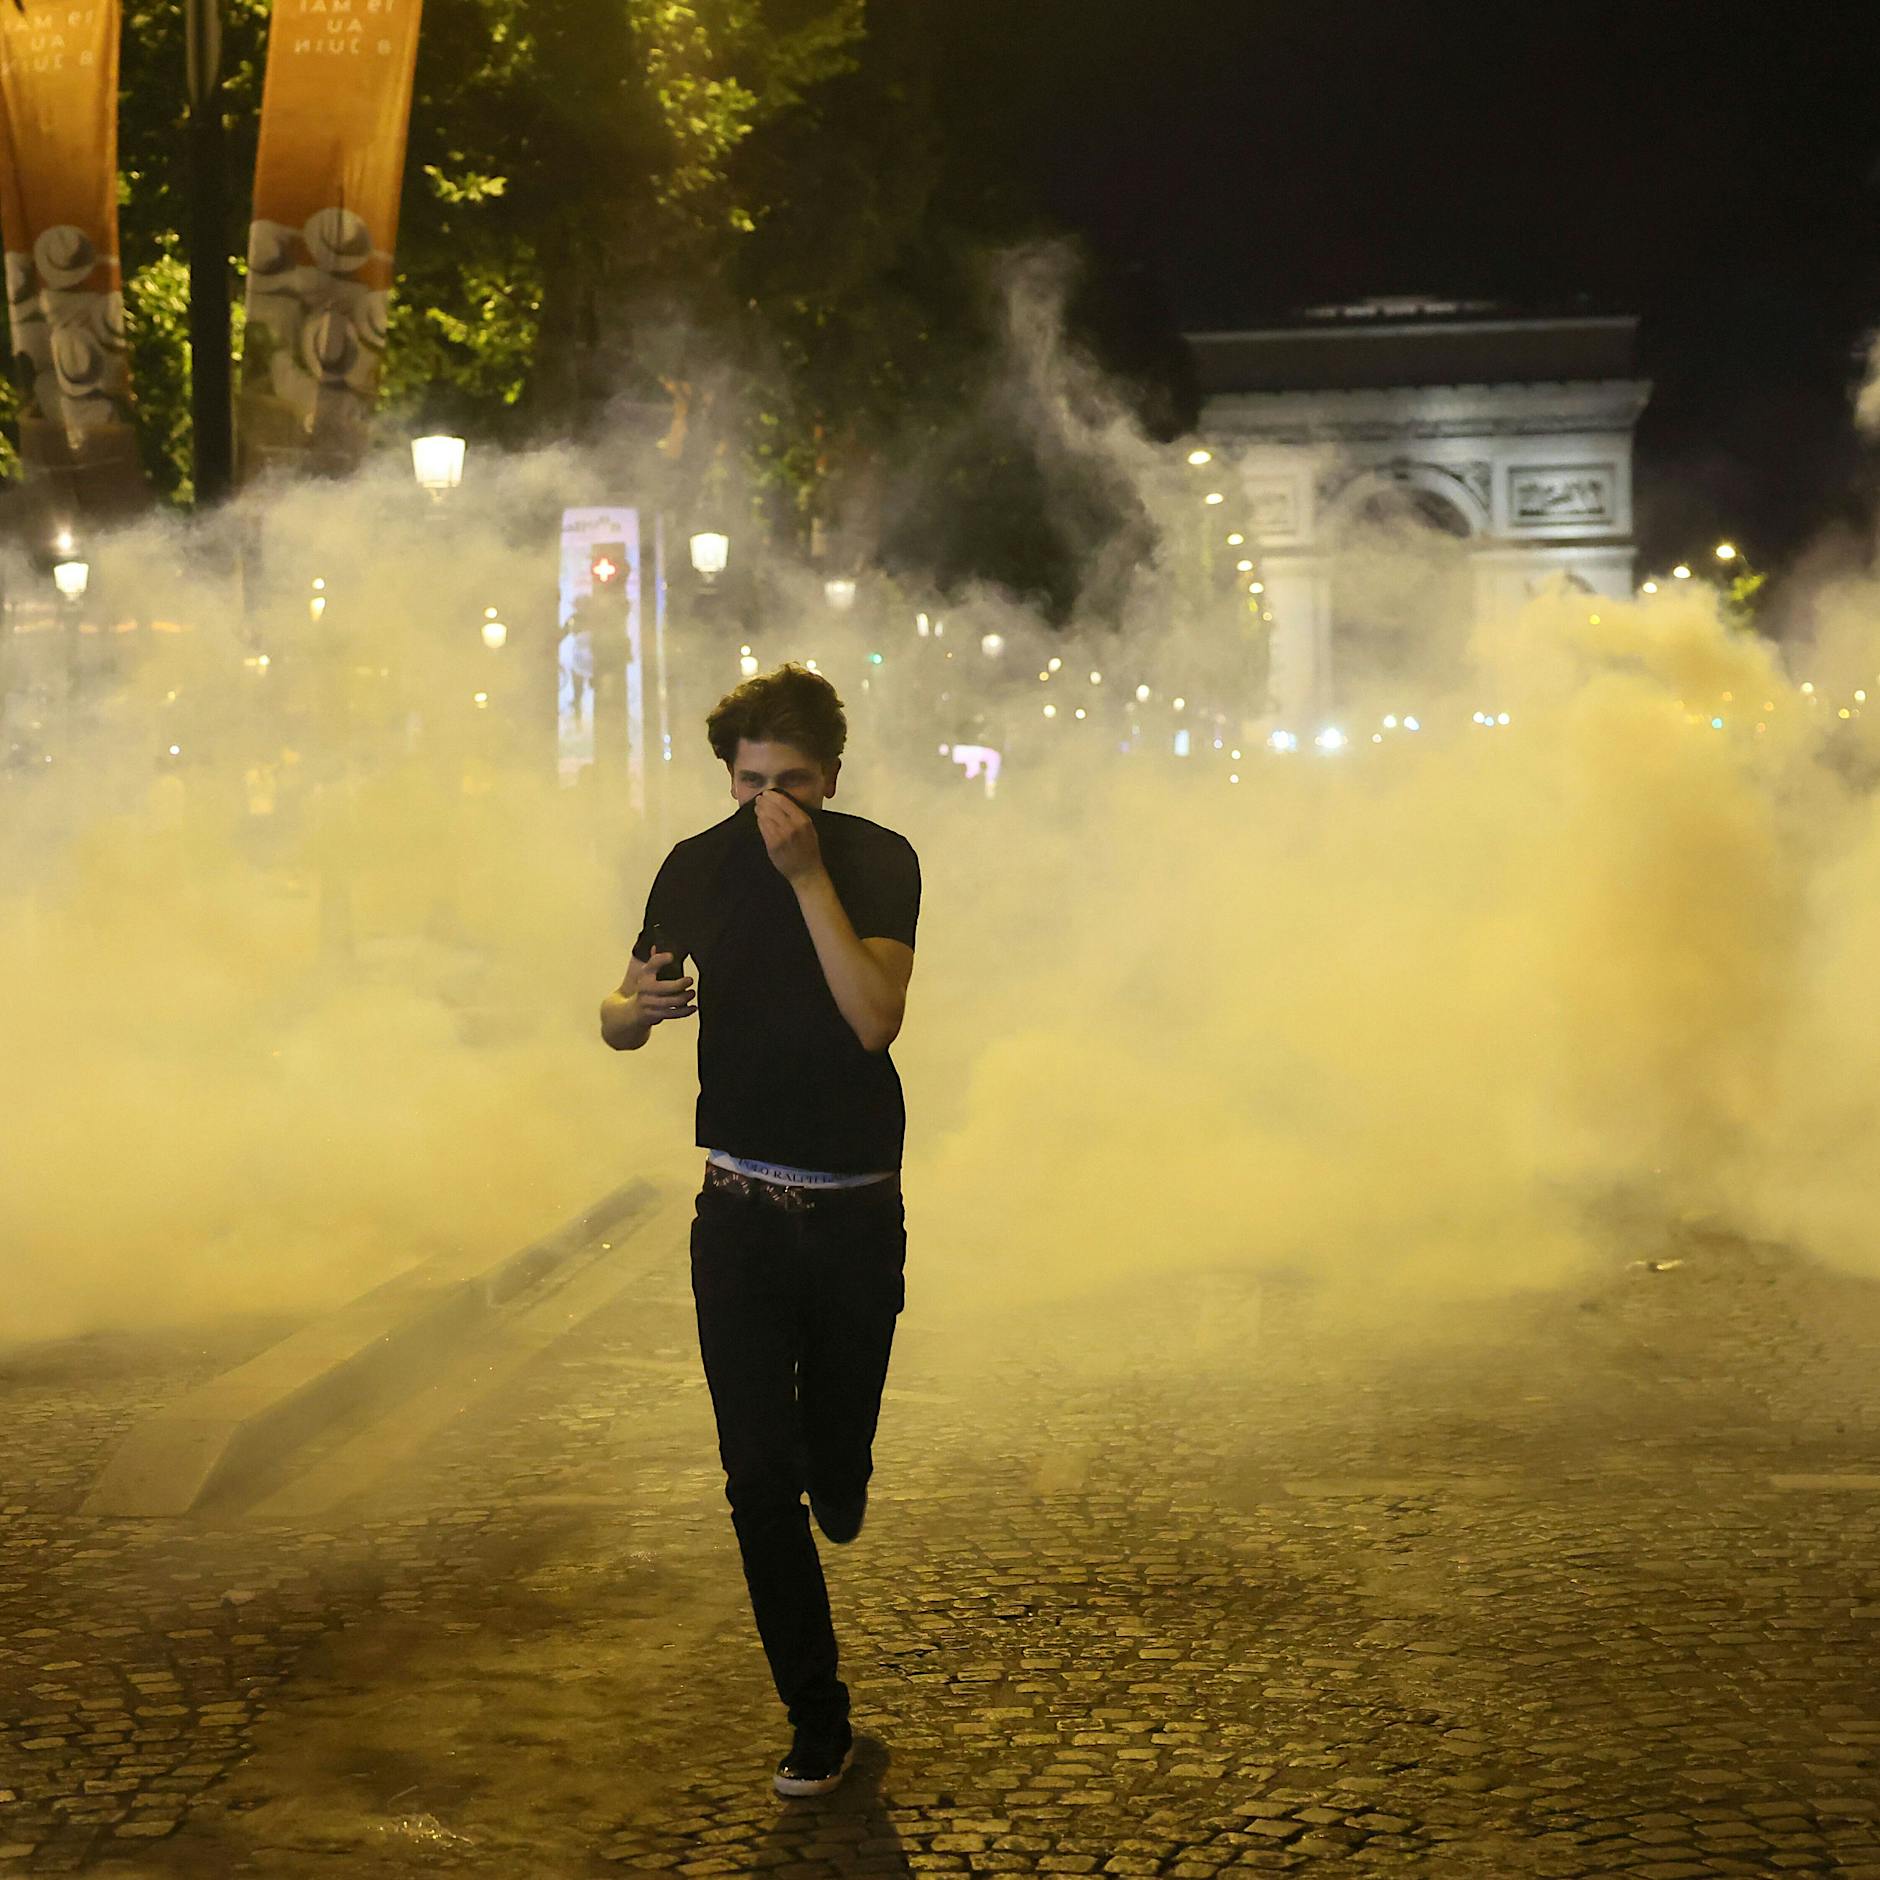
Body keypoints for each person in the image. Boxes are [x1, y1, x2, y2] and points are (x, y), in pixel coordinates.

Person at [600, 662, 920, 1799]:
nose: (770, 803)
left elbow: (873, 1018)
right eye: (750, 783)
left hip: (854, 1214)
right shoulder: (695, 864)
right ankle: (816, 1717)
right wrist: (629, 1012)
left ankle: (844, 1465)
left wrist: (806, 878)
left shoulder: (874, 859)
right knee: (753, 1477)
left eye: (792, 781)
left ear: (830, 774)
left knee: (833, 1454)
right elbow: (618, 1014)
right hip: (737, 1209)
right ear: (726, 777)